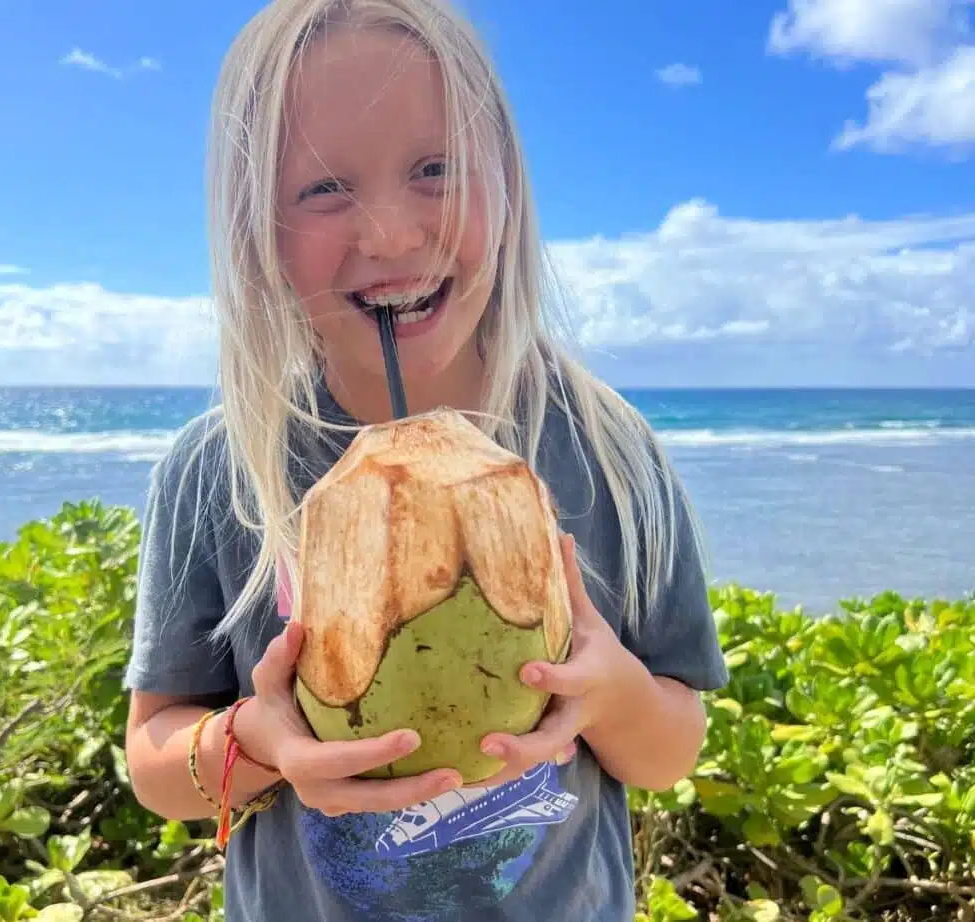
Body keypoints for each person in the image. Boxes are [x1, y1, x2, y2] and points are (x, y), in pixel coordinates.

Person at [122, 0, 729, 919]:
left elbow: (674, 746)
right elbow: (155, 762)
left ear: (507, 182)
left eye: (436, 169)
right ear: (257, 231)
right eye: (324, 189)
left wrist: (611, 697)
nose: (394, 234)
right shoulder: (218, 470)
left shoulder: (613, 454)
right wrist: (259, 740)